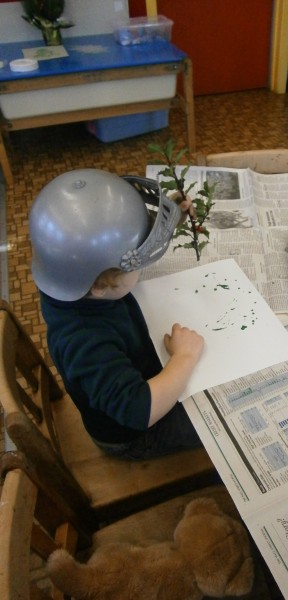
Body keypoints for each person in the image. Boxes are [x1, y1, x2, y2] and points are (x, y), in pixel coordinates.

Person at [29, 169, 204, 460]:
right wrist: (184, 358)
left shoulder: (66, 277)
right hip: (133, 434)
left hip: (136, 365)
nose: (141, 267)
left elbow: (108, 254)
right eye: (137, 266)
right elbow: (139, 410)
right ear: (99, 287)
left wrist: (172, 216)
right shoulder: (85, 343)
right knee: (215, 416)